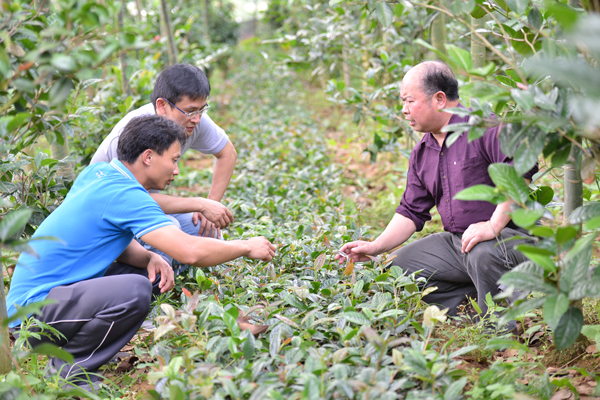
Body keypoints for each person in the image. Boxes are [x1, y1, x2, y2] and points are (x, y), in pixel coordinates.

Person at [6, 115, 275, 392]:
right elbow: (189, 252)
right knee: (135, 289)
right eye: (173, 159)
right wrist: (245, 246)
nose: (177, 170)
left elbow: (106, 238)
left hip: (51, 301)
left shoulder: (98, 173)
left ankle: (88, 345)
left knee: (147, 271)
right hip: (32, 321)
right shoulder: (126, 194)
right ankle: (69, 369)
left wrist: (149, 257)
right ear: (148, 157)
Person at [335, 61, 537, 320]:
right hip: (459, 242)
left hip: (510, 238)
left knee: (482, 252)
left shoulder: (485, 127)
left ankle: (500, 328)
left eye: (409, 101)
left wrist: (493, 225)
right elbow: (410, 211)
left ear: (439, 99)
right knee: (396, 267)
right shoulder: (423, 151)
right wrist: (375, 247)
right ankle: (470, 309)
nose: (404, 110)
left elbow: (519, 171)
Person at [91, 63, 237, 264]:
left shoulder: (194, 120)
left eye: (202, 109)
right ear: (162, 106)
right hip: (110, 217)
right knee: (171, 229)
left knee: (208, 234)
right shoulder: (134, 134)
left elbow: (227, 154)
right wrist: (200, 204)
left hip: (142, 204)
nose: (197, 119)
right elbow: (133, 199)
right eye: (190, 111)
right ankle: (149, 280)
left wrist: (211, 206)